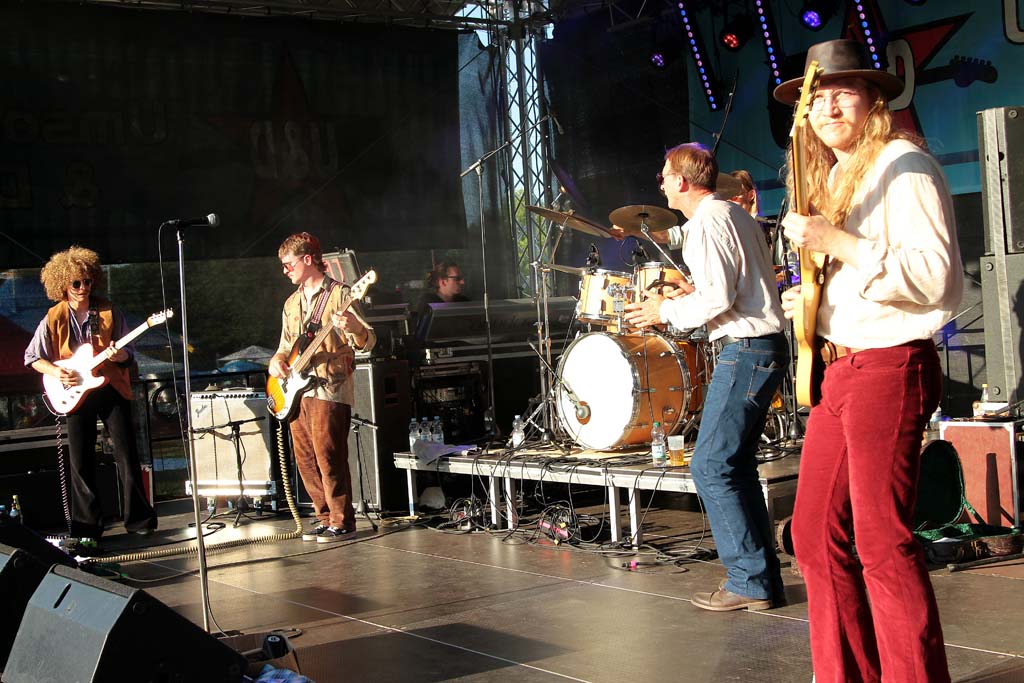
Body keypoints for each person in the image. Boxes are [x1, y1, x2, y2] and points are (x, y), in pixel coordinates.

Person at [776, 39, 962, 682]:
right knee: (812, 535)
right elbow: (858, 275)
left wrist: (835, 240)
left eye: (843, 93)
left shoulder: (902, 166)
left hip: (889, 364)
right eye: (817, 97)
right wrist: (812, 298)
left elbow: (934, 277)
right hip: (840, 368)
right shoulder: (835, 175)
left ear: (873, 101)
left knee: (883, 541)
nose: (827, 107)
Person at [624, 143, 789, 611]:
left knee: (711, 465)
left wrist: (664, 310)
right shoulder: (732, 214)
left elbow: (718, 298)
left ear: (680, 180)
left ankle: (748, 581)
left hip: (746, 349)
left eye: (663, 176)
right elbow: (730, 285)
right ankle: (760, 579)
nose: (660, 184)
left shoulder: (709, 222)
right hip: (762, 347)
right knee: (733, 465)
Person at [24, 246, 157, 550]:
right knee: (80, 460)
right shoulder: (53, 317)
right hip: (74, 391)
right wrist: (58, 373)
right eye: (76, 283)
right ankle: (87, 527)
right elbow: (33, 357)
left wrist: (120, 354)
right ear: (62, 284)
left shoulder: (108, 310)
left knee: (126, 453)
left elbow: (129, 353)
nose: (83, 287)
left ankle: (139, 521)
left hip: (110, 387)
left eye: (87, 281)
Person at [269, 232, 376, 543]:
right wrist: (276, 362)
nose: (285, 270)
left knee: (328, 455)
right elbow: (285, 346)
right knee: (305, 459)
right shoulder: (291, 303)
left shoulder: (341, 294)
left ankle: (342, 520)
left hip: (329, 386)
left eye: (289, 264)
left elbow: (369, 340)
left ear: (308, 259)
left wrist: (354, 328)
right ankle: (324, 516)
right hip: (296, 390)